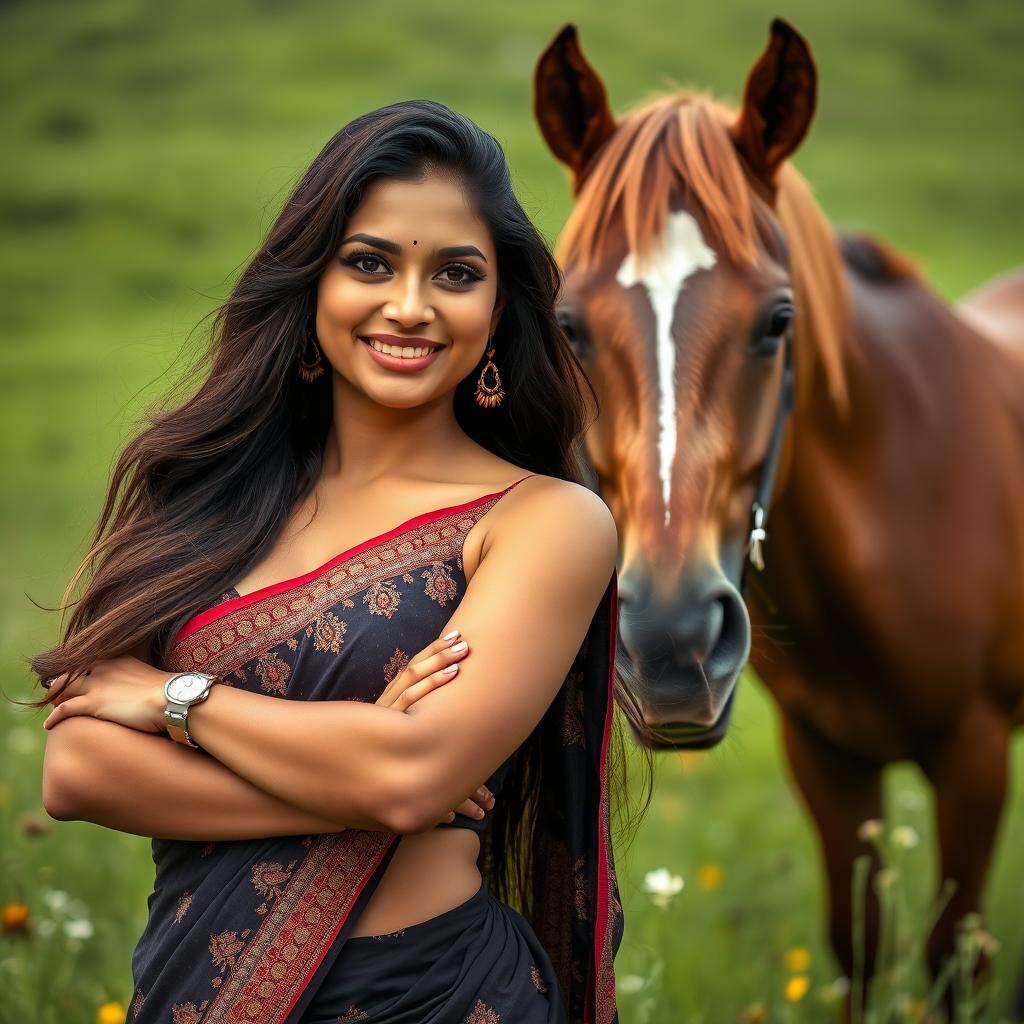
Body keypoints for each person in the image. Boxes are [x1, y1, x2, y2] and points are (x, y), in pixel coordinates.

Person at [28, 99, 652, 1023]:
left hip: (435, 995)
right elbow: (77, 768)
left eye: (455, 273)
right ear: (313, 282)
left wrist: (173, 701)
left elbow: (410, 774)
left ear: (497, 306)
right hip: (193, 991)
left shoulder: (545, 522)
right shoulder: (203, 487)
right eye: (369, 263)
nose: (410, 305)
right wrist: (358, 779)